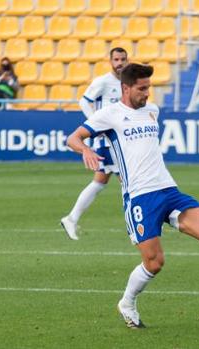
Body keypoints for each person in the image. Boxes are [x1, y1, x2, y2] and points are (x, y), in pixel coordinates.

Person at [65, 63, 199, 329]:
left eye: (149, 88)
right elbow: (73, 138)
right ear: (126, 88)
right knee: (154, 263)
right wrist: (84, 149)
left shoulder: (152, 111)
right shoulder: (109, 115)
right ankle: (127, 302)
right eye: (142, 89)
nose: (147, 94)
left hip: (169, 190)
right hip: (140, 198)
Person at [60, 47, 129, 240]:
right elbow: (84, 101)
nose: (120, 63)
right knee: (128, 180)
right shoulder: (103, 82)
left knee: (100, 182)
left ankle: (71, 219)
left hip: (118, 139)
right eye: (116, 59)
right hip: (107, 142)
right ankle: (139, 222)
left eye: (123, 59)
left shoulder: (127, 81)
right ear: (110, 61)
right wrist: (96, 123)